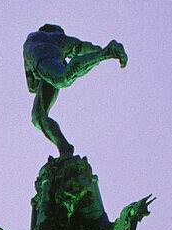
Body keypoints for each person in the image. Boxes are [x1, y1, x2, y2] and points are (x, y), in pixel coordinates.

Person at [23, 25, 127, 157]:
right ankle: (107, 52)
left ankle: (64, 148)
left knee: (38, 117)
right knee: (62, 79)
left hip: (41, 65)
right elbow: (80, 46)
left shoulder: (31, 40)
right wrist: (98, 51)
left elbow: (32, 86)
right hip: (45, 61)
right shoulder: (56, 37)